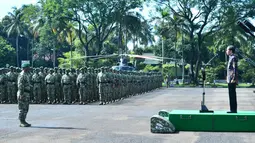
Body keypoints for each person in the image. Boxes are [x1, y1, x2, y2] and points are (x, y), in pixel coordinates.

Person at [17, 63, 32, 127]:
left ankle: (24, 120)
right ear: (25, 68)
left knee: (26, 108)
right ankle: (21, 121)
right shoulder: (22, 75)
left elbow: (26, 84)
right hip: (23, 93)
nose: (29, 68)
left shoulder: (26, 74)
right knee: (22, 108)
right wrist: (21, 94)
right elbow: (20, 85)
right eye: (28, 67)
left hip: (26, 93)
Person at [226, 45, 238, 113]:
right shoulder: (230, 58)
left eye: (227, 50)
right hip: (229, 78)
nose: (226, 51)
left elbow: (234, 69)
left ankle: (233, 109)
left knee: (232, 94)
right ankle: (232, 109)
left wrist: (233, 78)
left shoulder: (233, 58)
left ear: (230, 51)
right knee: (231, 94)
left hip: (232, 79)